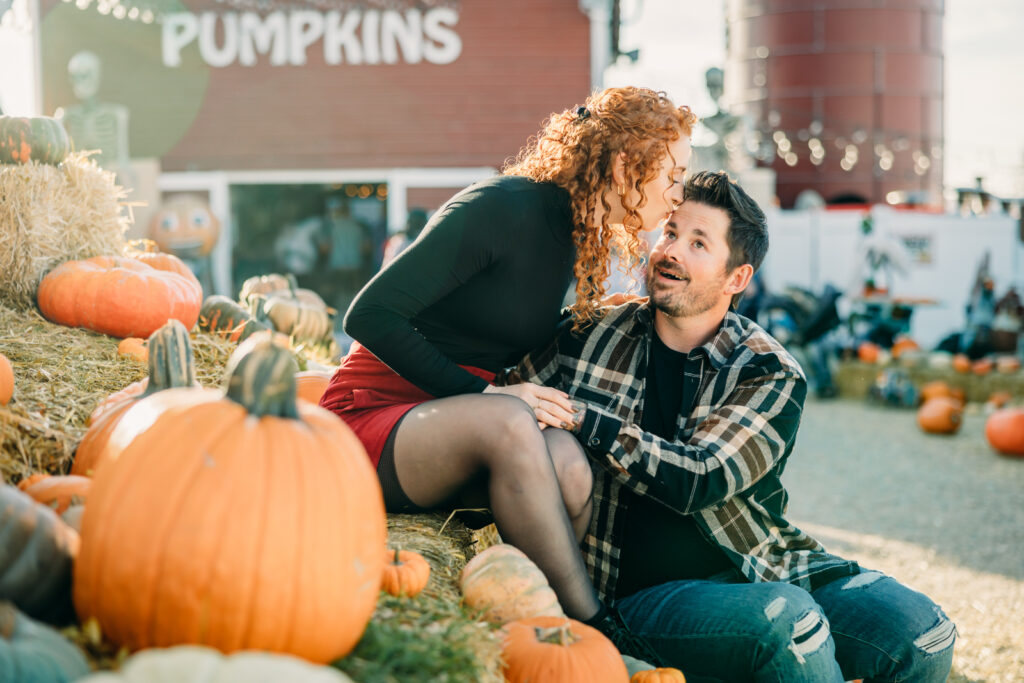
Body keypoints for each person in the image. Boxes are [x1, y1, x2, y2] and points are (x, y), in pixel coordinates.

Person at [507, 170, 956, 682]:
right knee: (792, 625)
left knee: (925, 634)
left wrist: (584, 418)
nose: (670, 251)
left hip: (758, 563)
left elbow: (700, 477)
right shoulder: (586, 335)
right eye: (671, 232)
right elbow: (503, 395)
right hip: (637, 595)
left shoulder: (767, 370)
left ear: (736, 279)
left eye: (698, 243)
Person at [320, 87, 696, 660]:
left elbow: (492, 323)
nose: (677, 195)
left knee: (569, 463)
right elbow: (368, 315)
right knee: (511, 420)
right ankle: (595, 629)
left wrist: (597, 316)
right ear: (625, 167)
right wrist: (487, 392)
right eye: (673, 175)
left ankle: (537, 635)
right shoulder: (501, 208)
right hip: (372, 417)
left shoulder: (573, 234)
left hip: (454, 426)